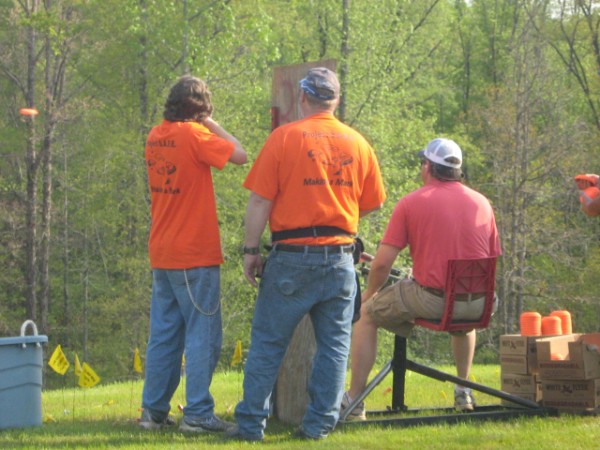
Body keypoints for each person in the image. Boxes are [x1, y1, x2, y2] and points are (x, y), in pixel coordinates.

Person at [228, 67, 386, 441]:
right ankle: (318, 427)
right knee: (333, 347)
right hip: (340, 259)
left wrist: (251, 250)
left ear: (302, 98)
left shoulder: (284, 138)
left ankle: (250, 425)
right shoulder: (358, 143)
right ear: (337, 100)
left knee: (268, 343)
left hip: (290, 257)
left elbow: (259, 200)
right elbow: (373, 203)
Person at [341, 138, 502, 420]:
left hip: (433, 302)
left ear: (428, 167)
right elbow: (489, 258)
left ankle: (354, 401)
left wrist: (369, 294)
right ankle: (462, 391)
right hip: (480, 303)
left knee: (366, 314)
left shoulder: (412, 202)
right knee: (460, 318)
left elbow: (381, 265)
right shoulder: (482, 203)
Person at [140, 75, 247, 432]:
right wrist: (210, 122)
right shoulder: (195, 135)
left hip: (163, 250)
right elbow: (240, 155)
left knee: (164, 334)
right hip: (194, 253)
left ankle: (153, 412)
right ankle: (199, 414)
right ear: (199, 110)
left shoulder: (156, 135)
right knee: (203, 333)